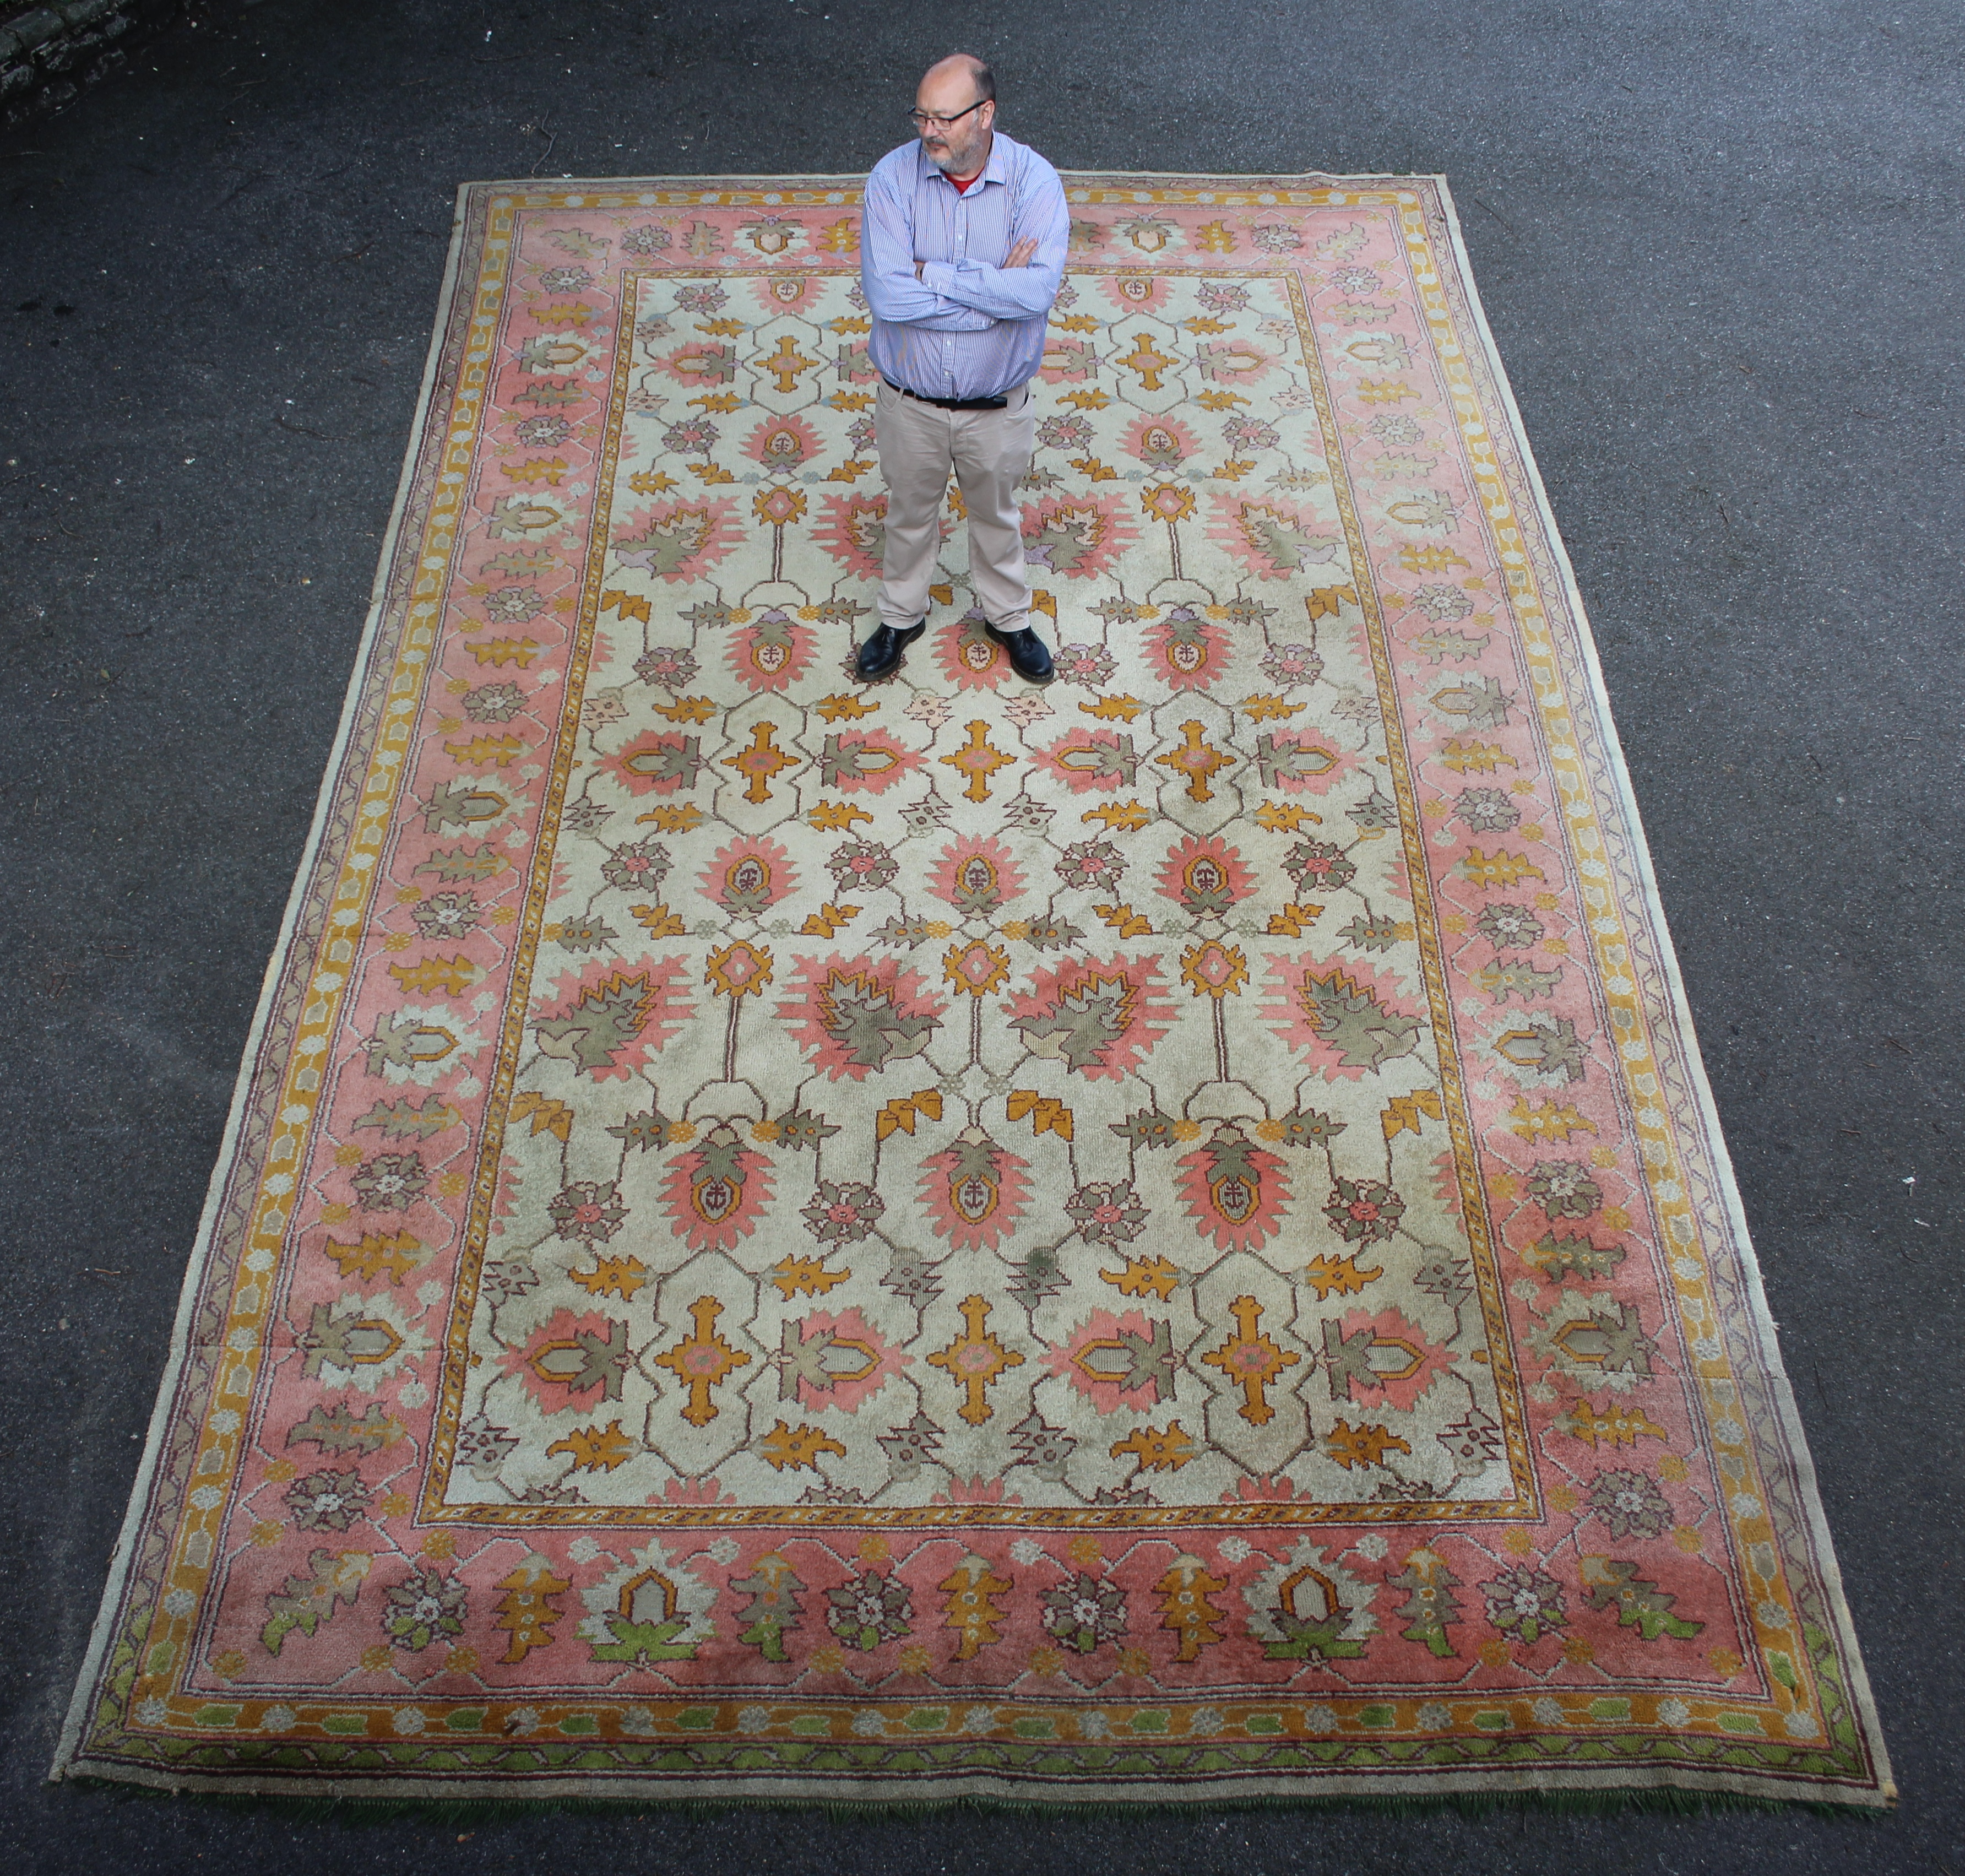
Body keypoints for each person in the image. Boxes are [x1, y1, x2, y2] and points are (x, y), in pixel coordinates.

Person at [855, 53, 1068, 684]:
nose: (928, 132)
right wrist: (993, 289)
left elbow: (1034, 295)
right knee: (908, 514)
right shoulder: (891, 179)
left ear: (985, 115)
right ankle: (902, 614)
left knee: (996, 516)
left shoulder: (1035, 182)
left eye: (943, 118)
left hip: (997, 406)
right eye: (920, 115)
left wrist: (936, 277)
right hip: (909, 403)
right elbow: (888, 297)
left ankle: (1007, 616)